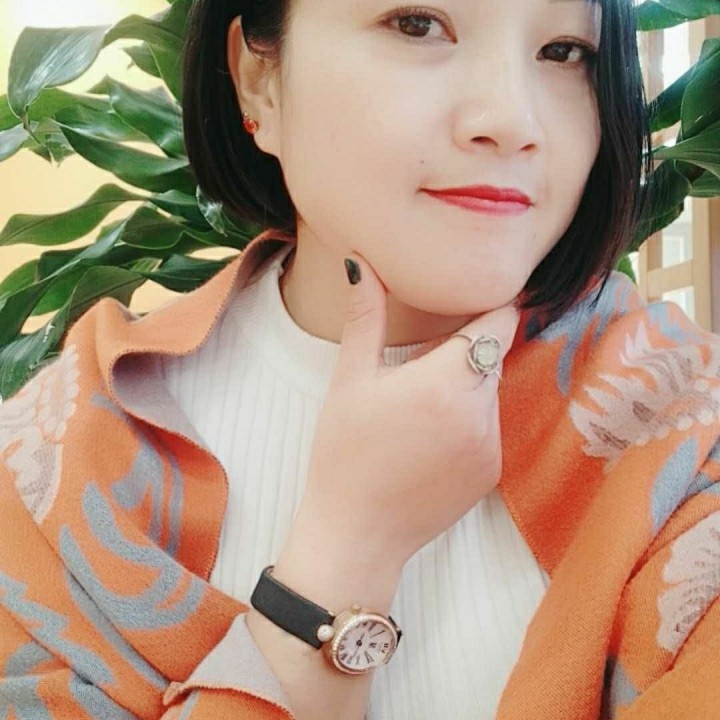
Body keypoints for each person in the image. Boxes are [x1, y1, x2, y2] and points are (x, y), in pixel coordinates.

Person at [1, 0, 719, 718]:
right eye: (417, 24)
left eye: (564, 52)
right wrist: (346, 553)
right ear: (259, 80)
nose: (511, 120)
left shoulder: (691, 433)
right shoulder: (48, 474)